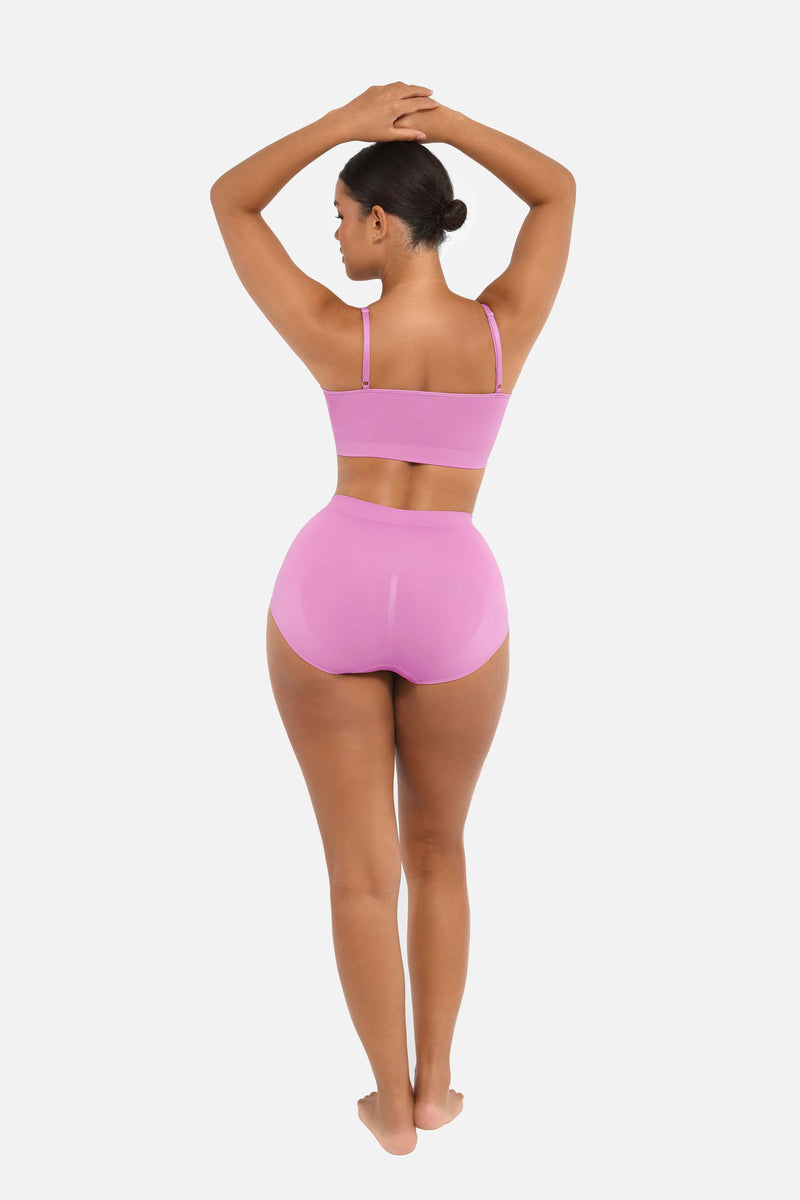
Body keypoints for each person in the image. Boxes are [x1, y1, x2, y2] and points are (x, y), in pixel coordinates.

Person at [210, 82, 576, 1156]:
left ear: (381, 220)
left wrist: (345, 122)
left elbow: (230, 200)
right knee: (438, 850)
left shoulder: (340, 335)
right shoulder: (501, 332)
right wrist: (443, 122)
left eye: (338, 215)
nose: (330, 236)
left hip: (334, 579)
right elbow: (556, 193)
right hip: (453, 592)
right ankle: (436, 1089)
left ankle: (385, 1104)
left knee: (359, 872)